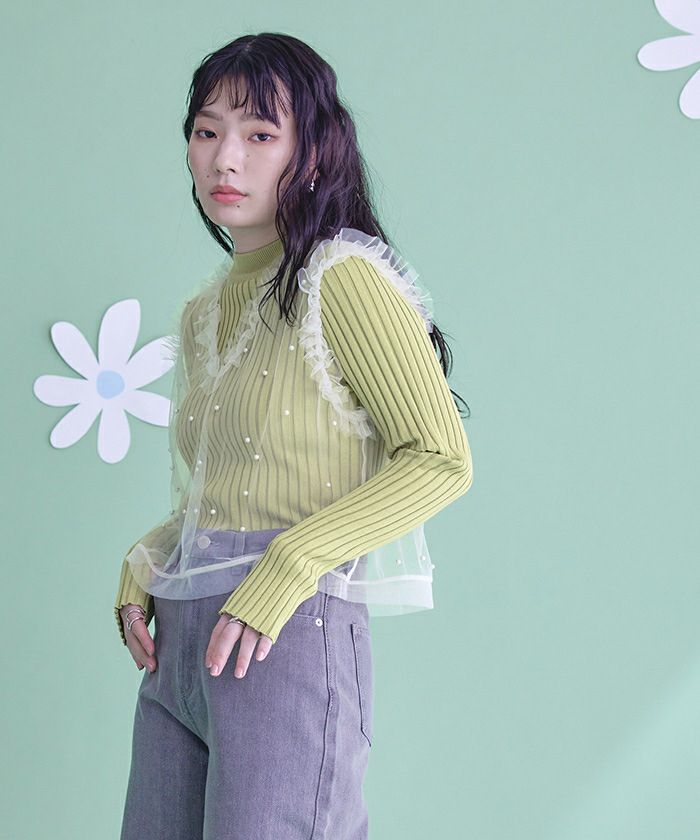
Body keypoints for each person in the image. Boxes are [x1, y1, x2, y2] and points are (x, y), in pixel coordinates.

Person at [115, 31, 474, 840]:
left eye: (259, 134)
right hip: (180, 645)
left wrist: (291, 563)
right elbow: (232, 487)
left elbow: (440, 458)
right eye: (206, 131)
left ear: (311, 152)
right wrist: (146, 560)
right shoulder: (202, 309)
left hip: (287, 633)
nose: (224, 159)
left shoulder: (341, 278)